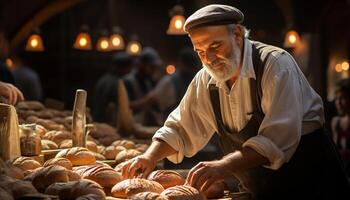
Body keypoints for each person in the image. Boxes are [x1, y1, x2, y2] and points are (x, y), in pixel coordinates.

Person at [121, 4, 349, 199]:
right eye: (200, 51)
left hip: (312, 185)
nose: (208, 59)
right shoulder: (206, 79)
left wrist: (224, 165)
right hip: (261, 191)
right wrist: (149, 156)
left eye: (215, 46)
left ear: (238, 35)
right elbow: (180, 128)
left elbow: (276, 140)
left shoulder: (275, 64)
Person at [123, 47, 163, 126]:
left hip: (144, 127)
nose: (153, 70)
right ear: (142, 64)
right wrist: (148, 100)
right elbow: (125, 108)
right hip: (130, 127)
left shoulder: (148, 80)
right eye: (151, 67)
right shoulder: (127, 81)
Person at [92, 52, 133, 125]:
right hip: (107, 125)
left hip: (97, 122)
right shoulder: (117, 83)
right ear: (125, 68)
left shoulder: (103, 79)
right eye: (129, 67)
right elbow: (112, 108)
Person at [331, 78, 350, 175]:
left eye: (342, 98)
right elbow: (336, 153)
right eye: (336, 99)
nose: (338, 103)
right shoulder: (336, 122)